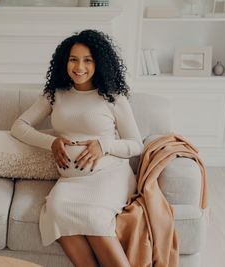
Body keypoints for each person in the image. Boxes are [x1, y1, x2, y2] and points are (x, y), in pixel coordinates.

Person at [10, 29, 143, 267]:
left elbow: (136, 144)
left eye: (87, 60)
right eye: (73, 59)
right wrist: (50, 142)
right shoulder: (55, 94)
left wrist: (104, 145)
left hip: (109, 175)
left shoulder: (113, 98)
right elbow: (19, 126)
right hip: (71, 181)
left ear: (99, 63)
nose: (79, 66)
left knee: (93, 216)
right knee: (57, 211)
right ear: (65, 61)